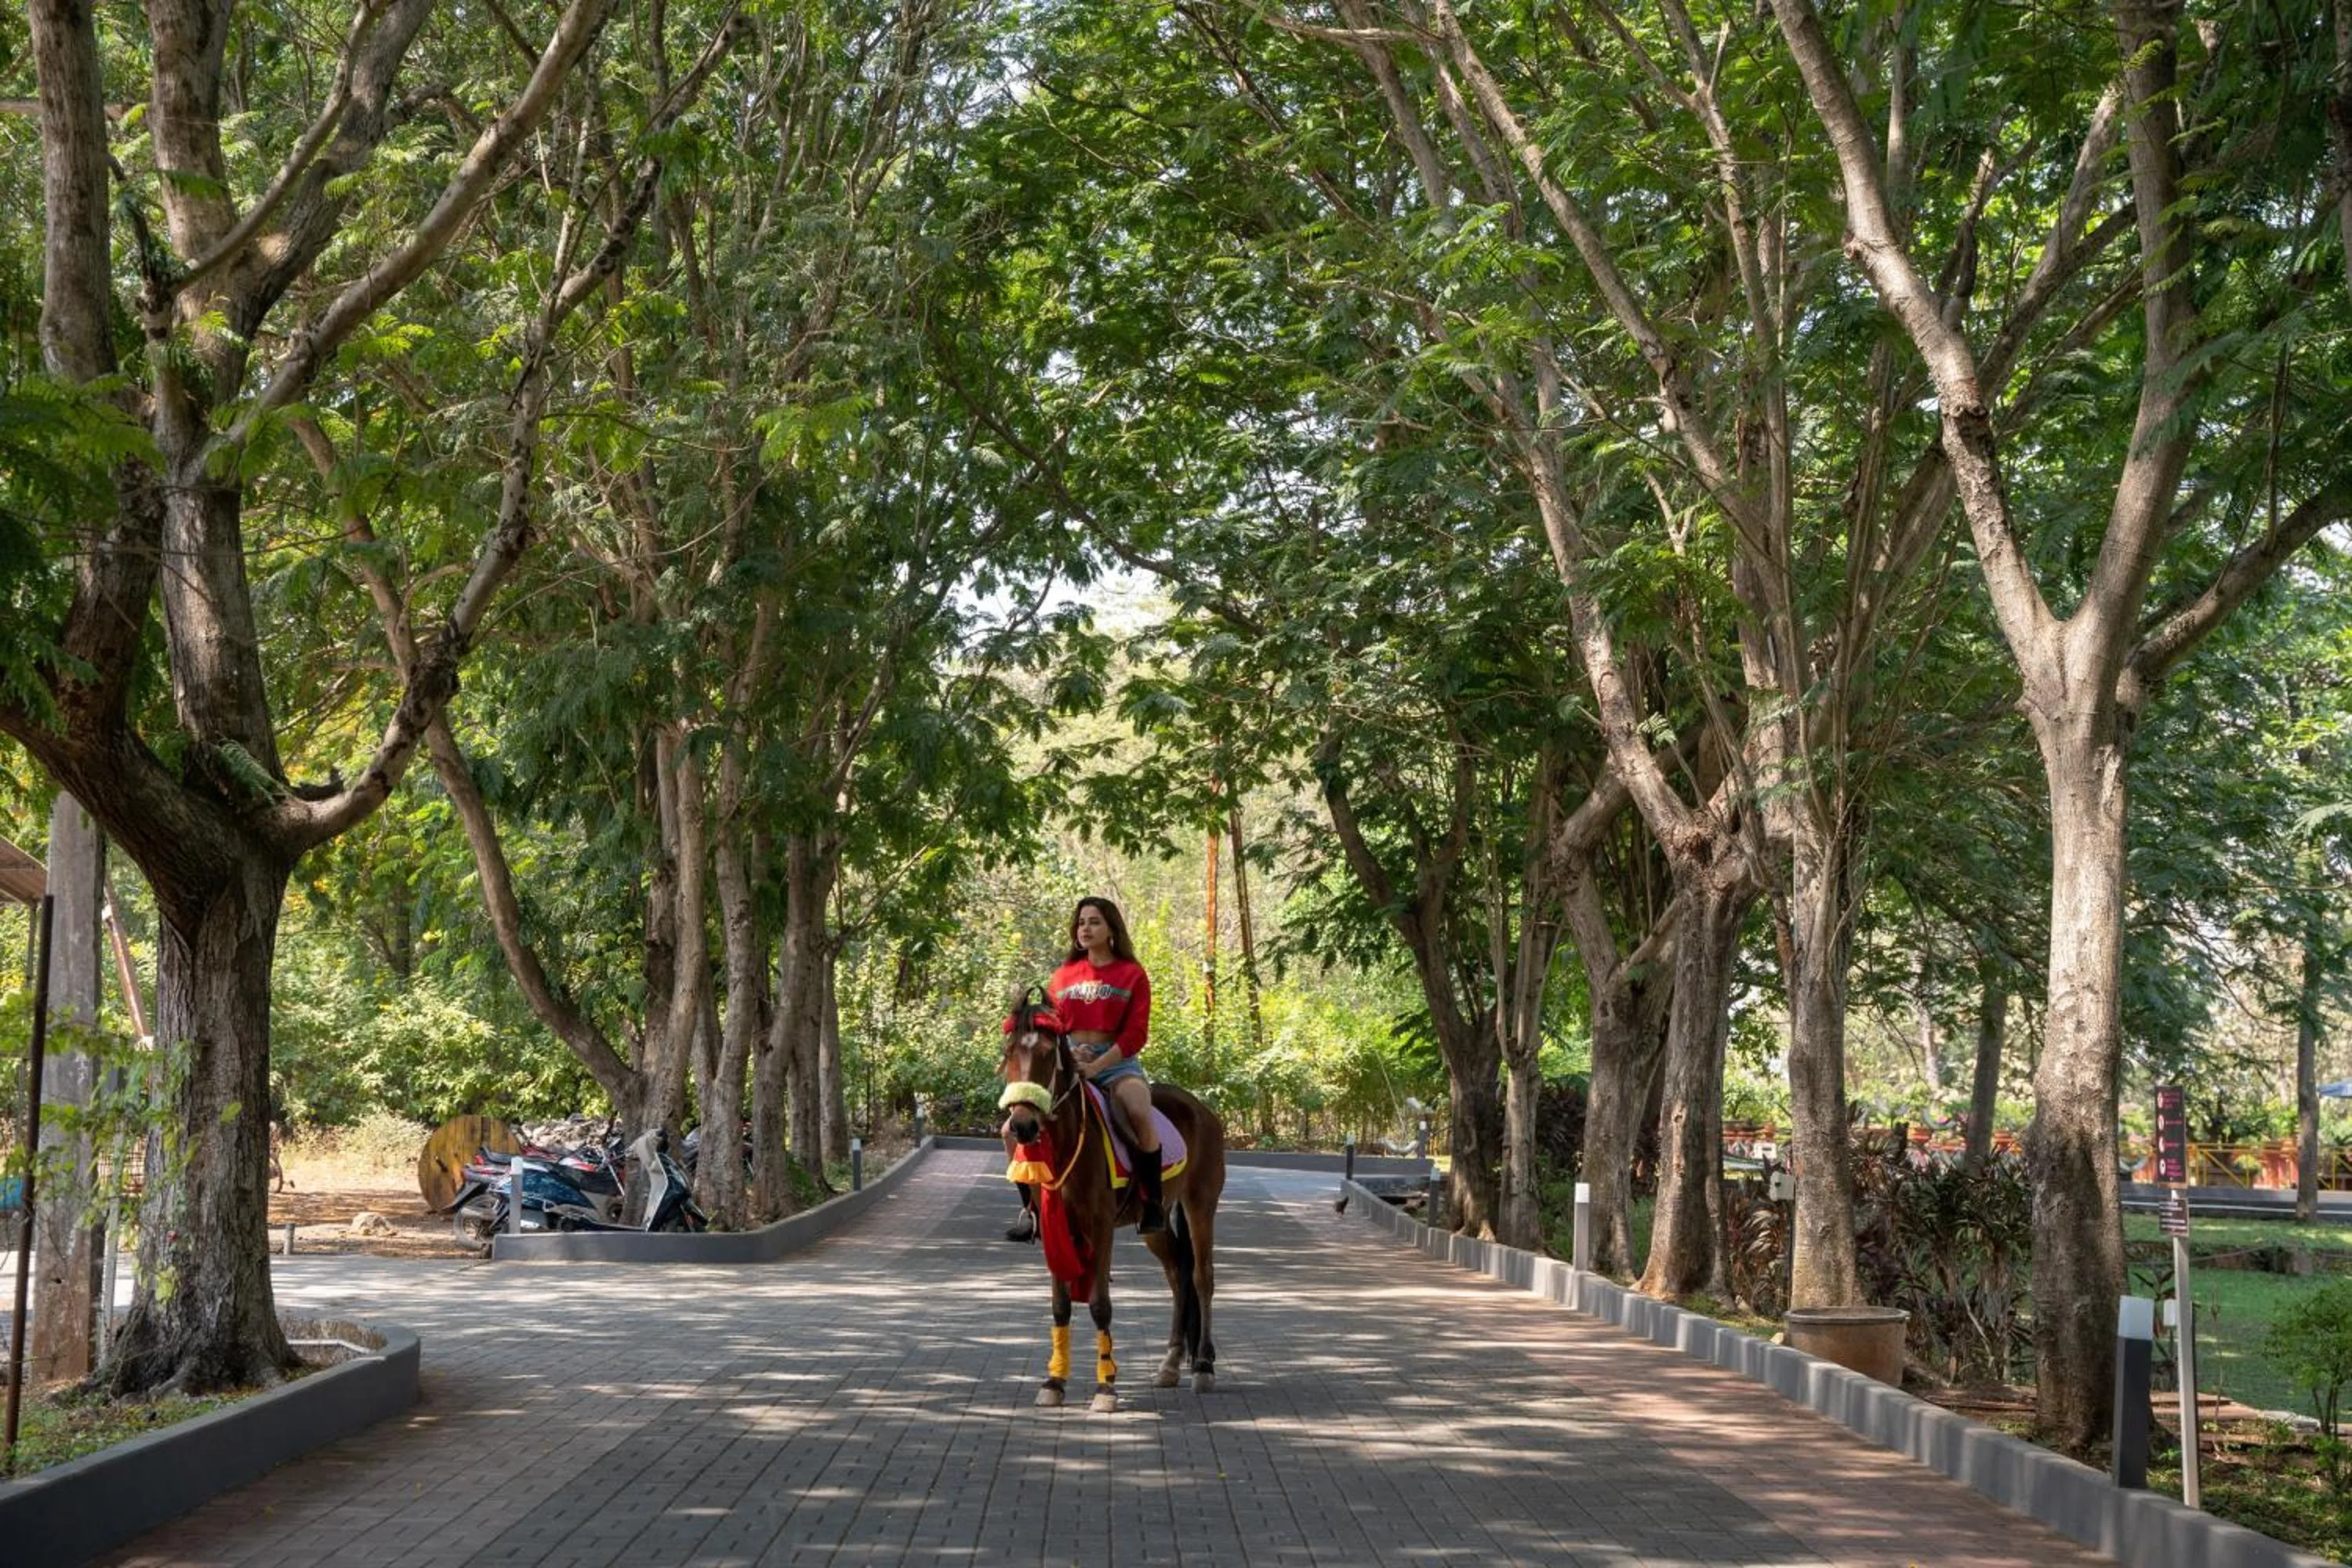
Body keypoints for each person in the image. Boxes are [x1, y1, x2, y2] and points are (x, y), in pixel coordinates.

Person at [1006, 895, 1164, 1240]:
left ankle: (1152, 1201)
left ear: (1111, 930)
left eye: (1094, 922)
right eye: (1081, 923)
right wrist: (1069, 1058)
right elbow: (1051, 1027)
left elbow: (1136, 1032)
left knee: (1138, 1109)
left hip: (1117, 1064)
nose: (1085, 929)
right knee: (1009, 1131)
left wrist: (1100, 1064)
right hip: (1069, 1063)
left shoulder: (1132, 974)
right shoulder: (1063, 976)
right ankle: (1031, 1209)